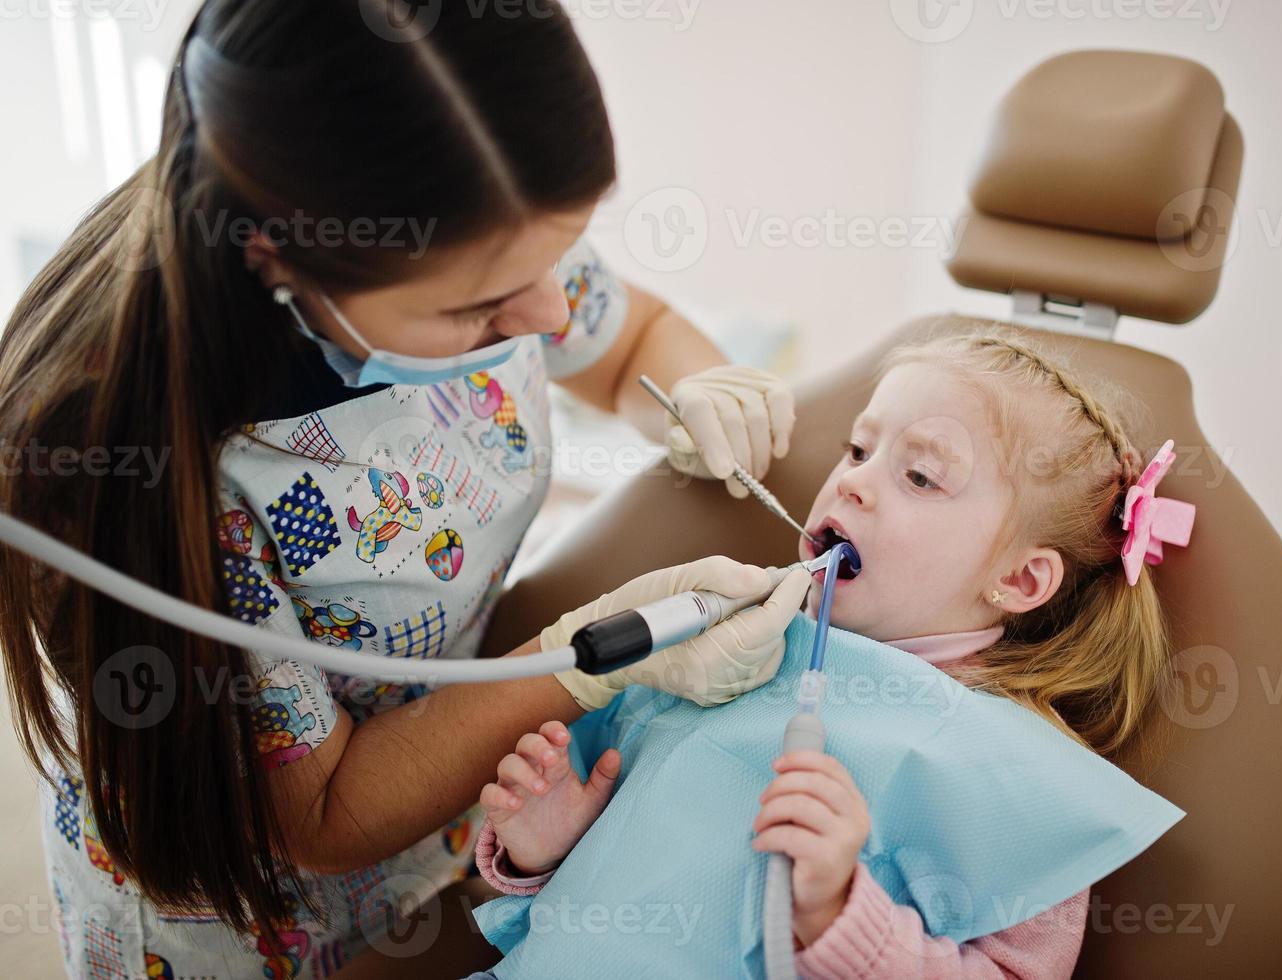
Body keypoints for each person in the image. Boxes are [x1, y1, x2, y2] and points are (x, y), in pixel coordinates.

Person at [0, 2, 806, 976]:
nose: (548, 313)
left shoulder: (477, 227)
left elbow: (630, 334)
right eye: (477, 309)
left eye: (553, 260)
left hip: (454, 828)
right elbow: (327, 813)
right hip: (255, 912)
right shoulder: (154, 480)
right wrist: (582, 660)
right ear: (277, 254)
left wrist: (696, 382)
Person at [477, 325, 1189, 978]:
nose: (850, 480)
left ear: (1017, 579)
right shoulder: (724, 647)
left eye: (919, 476)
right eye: (857, 449)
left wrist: (839, 916)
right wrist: (551, 849)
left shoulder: (1016, 783)